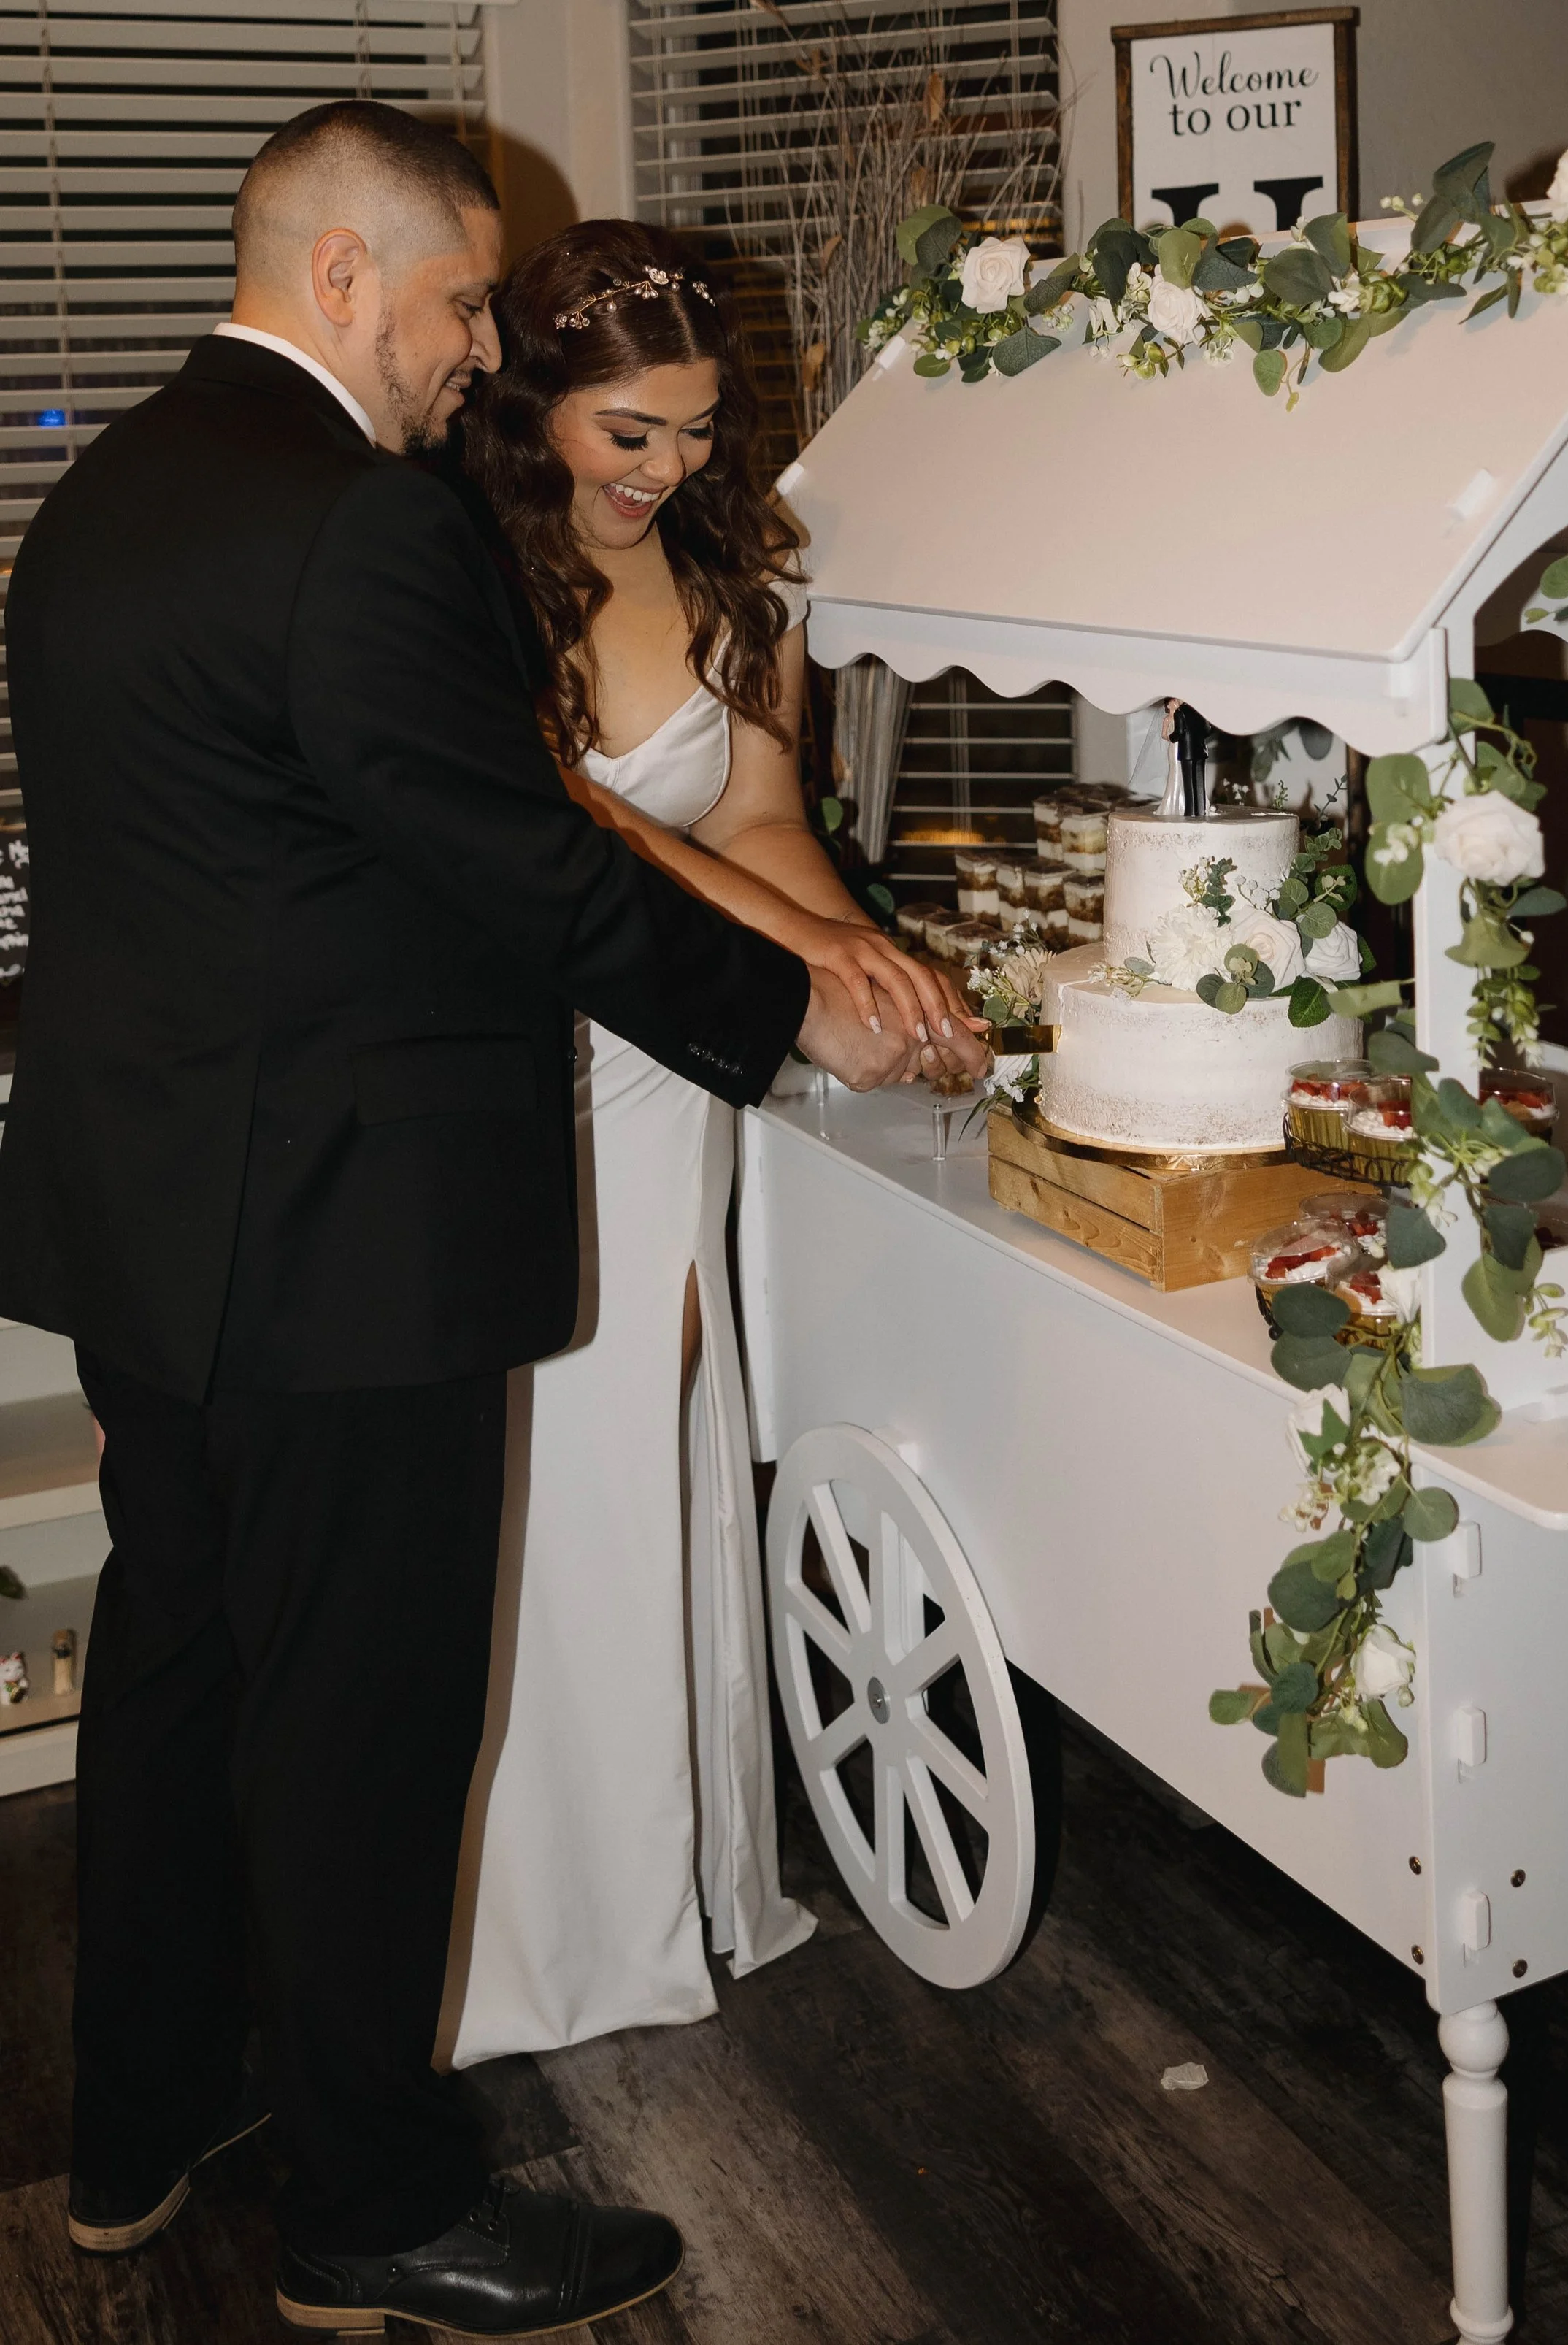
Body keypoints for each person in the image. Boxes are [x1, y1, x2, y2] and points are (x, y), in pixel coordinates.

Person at [0, 101, 977, 2340]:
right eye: (454, 303)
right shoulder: (359, 524)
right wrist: (786, 1009)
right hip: (348, 1234)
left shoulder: (104, 495)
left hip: (150, 1219)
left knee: (178, 1673)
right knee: (357, 1721)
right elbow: (516, 866)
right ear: (348, 278)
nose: (471, 353)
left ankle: (141, 2135)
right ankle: (374, 2208)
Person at [447, 223, 975, 2064]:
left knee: (660, 1435)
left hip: (677, 1077)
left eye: (690, 429)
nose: (665, 467)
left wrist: (859, 949)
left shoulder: (742, 576)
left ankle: (663, 1883)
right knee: (530, 1469)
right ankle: (515, 1926)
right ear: (530, 417)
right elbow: (558, 825)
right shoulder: (450, 574)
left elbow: (754, 819)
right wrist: (810, 956)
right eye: (626, 433)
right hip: (511, 1064)